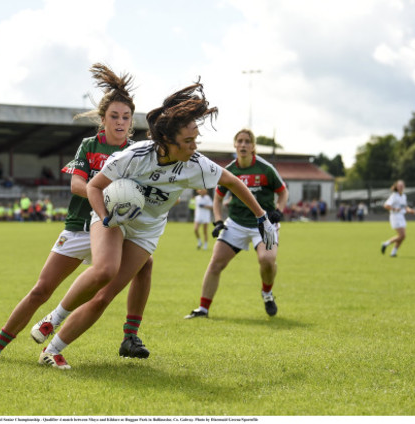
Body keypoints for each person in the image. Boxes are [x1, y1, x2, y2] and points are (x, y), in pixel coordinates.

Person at [35, 80, 277, 369]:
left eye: (195, 140)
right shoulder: (135, 156)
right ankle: (54, 318)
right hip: (111, 216)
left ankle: (52, 350)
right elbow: (94, 188)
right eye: (188, 141)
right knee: (104, 271)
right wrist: (108, 218)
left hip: (146, 230)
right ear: (167, 142)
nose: (194, 146)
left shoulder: (195, 164)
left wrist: (262, 217)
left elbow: (232, 181)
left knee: (104, 297)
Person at [0, 63, 153, 363]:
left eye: (126, 117)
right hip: (80, 227)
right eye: (114, 116)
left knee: (146, 264)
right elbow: (77, 184)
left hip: (112, 230)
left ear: (131, 123)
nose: (120, 122)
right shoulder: (89, 145)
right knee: (41, 290)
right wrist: (107, 193)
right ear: (102, 119)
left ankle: (130, 336)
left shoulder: (137, 153)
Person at [185, 129, 288, 320]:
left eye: (247, 141)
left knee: (267, 260)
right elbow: (217, 199)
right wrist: (217, 221)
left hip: (264, 223)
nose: (243, 145)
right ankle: (203, 309)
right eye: (239, 141)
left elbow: (283, 192)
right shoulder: (230, 170)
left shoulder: (266, 169)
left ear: (253, 146)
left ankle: (267, 294)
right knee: (215, 263)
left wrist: (279, 210)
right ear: (234, 145)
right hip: (236, 223)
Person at [381, 179, 415, 258]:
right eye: (399, 186)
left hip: (401, 217)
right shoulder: (394, 196)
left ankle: (393, 252)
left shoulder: (403, 196)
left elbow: (405, 207)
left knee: (402, 236)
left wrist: (410, 210)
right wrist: (394, 209)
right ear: (397, 187)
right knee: (402, 235)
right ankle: (385, 243)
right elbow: (386, 205)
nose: (401, 187)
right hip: (395, 217)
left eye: (402, 186)